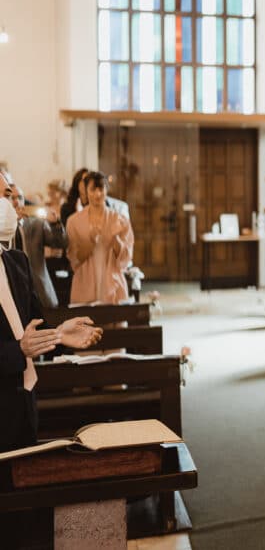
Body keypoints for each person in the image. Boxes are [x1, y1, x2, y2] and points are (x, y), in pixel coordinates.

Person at [1, 193, 102, 452]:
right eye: (4, 194)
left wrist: (58, 335)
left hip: (25, 394)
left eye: (13, 195)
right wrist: (17, 351)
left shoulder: (16, 261)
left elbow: (33, 328)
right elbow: (21, 345)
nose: (13, 204)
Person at [66, 172, 134, 304]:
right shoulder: (74, 221)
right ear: (85, 191)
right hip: (84, 285)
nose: (98, 194)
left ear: (106, 190)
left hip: (112, 285)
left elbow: (126, 259)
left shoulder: (120, 220)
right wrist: (91, 242)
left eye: (101, 189)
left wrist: (115, 238)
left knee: (115, 321)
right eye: (93, 189)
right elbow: (74, 259)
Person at [9, 182, 66, 309]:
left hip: (39, 292)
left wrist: (55, 224)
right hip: (13, 295)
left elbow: (60, 242)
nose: (17, 202)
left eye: (20, 197)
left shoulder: (36, 224)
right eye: (12, 198)